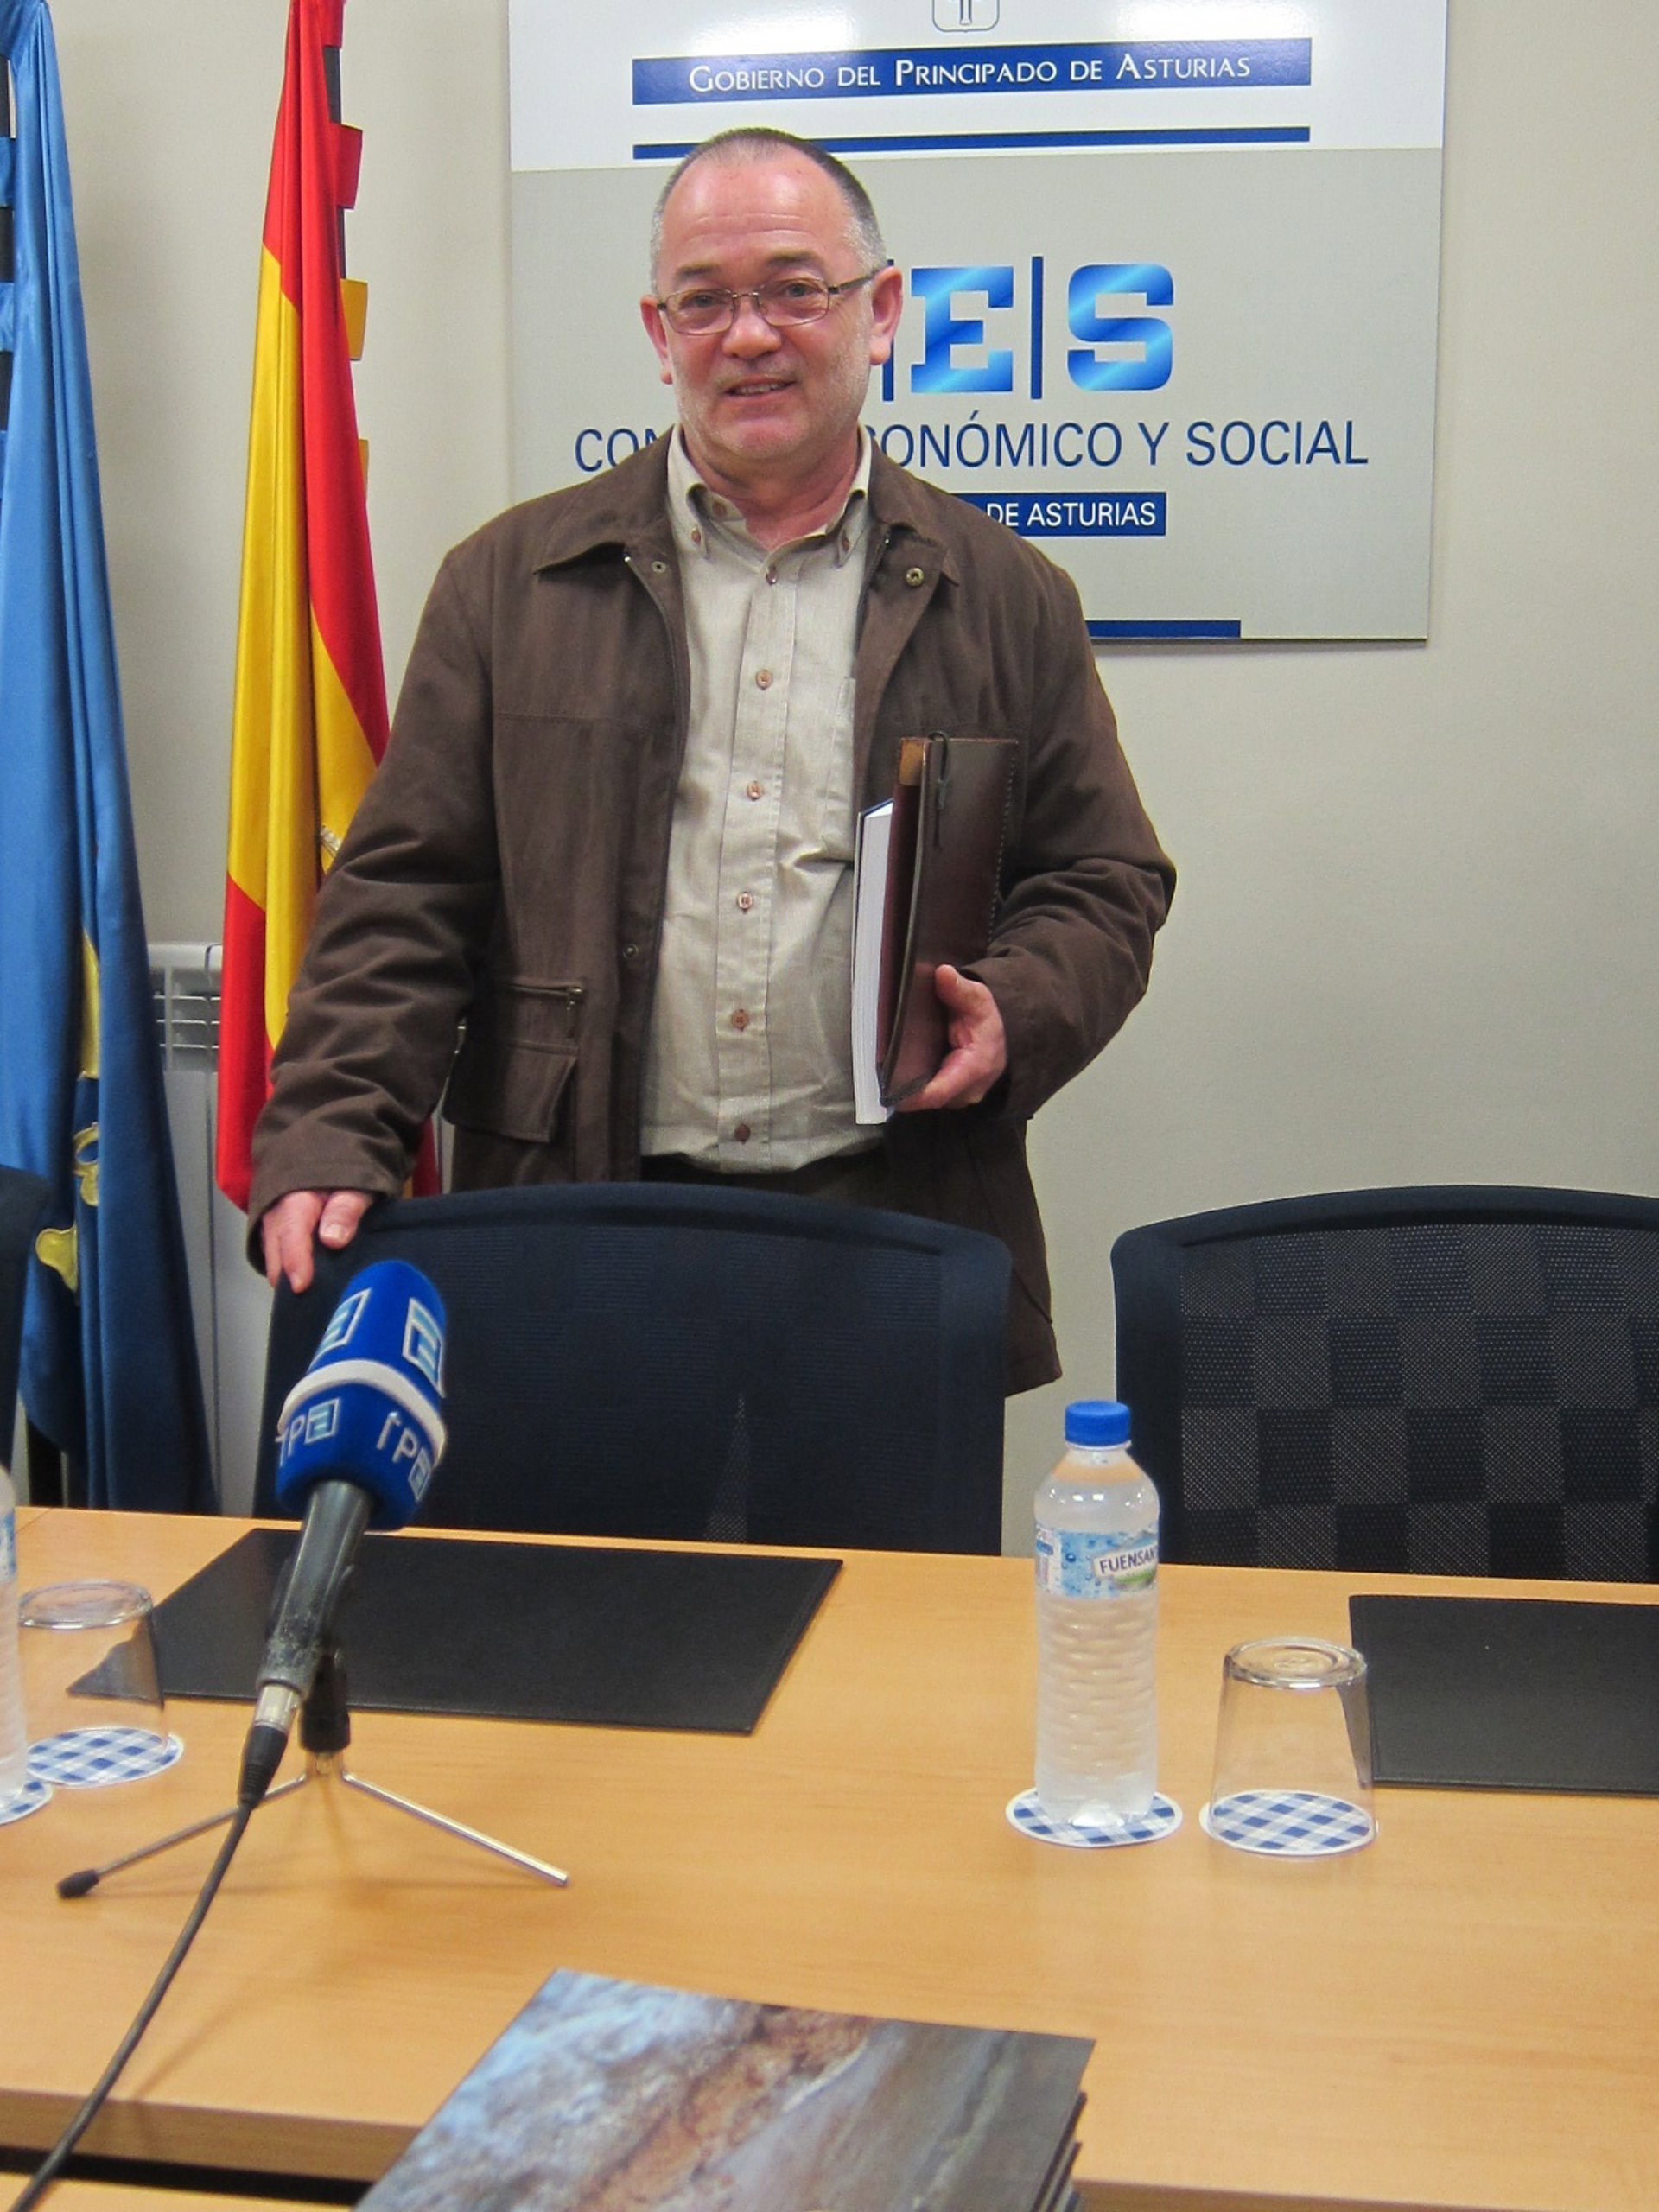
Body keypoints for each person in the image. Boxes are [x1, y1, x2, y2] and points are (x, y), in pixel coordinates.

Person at [251, 129, 1173, 1393]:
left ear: (881, 313)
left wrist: (1016, 1007)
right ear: (659, 330)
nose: (749, 336)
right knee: (593, 1533)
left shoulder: (1006, 595)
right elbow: (405, 899)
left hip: (889, 1219)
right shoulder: (508, 587)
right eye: (705, 300)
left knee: (879, 1534)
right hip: (579, 1212)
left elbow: (1105, 880)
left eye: (796, 289)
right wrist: (330, 1128)